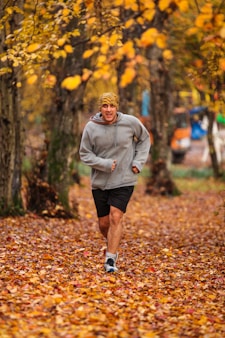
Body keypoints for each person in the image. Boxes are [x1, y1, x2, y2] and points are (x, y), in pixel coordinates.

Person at [79, 92, 151, 272]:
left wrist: (138, 162)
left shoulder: (130, 122)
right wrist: (103, 164)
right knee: (104, 224)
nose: (108, 110)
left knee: (115, 216)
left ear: (117, 107)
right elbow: (84, 154)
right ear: (100, 108)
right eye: (105, 106)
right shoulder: (91, 127)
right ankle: (113, 243)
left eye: (112, 106)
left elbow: (145, 139)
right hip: (100, 182)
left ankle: (110, 260)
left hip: (125, 178)